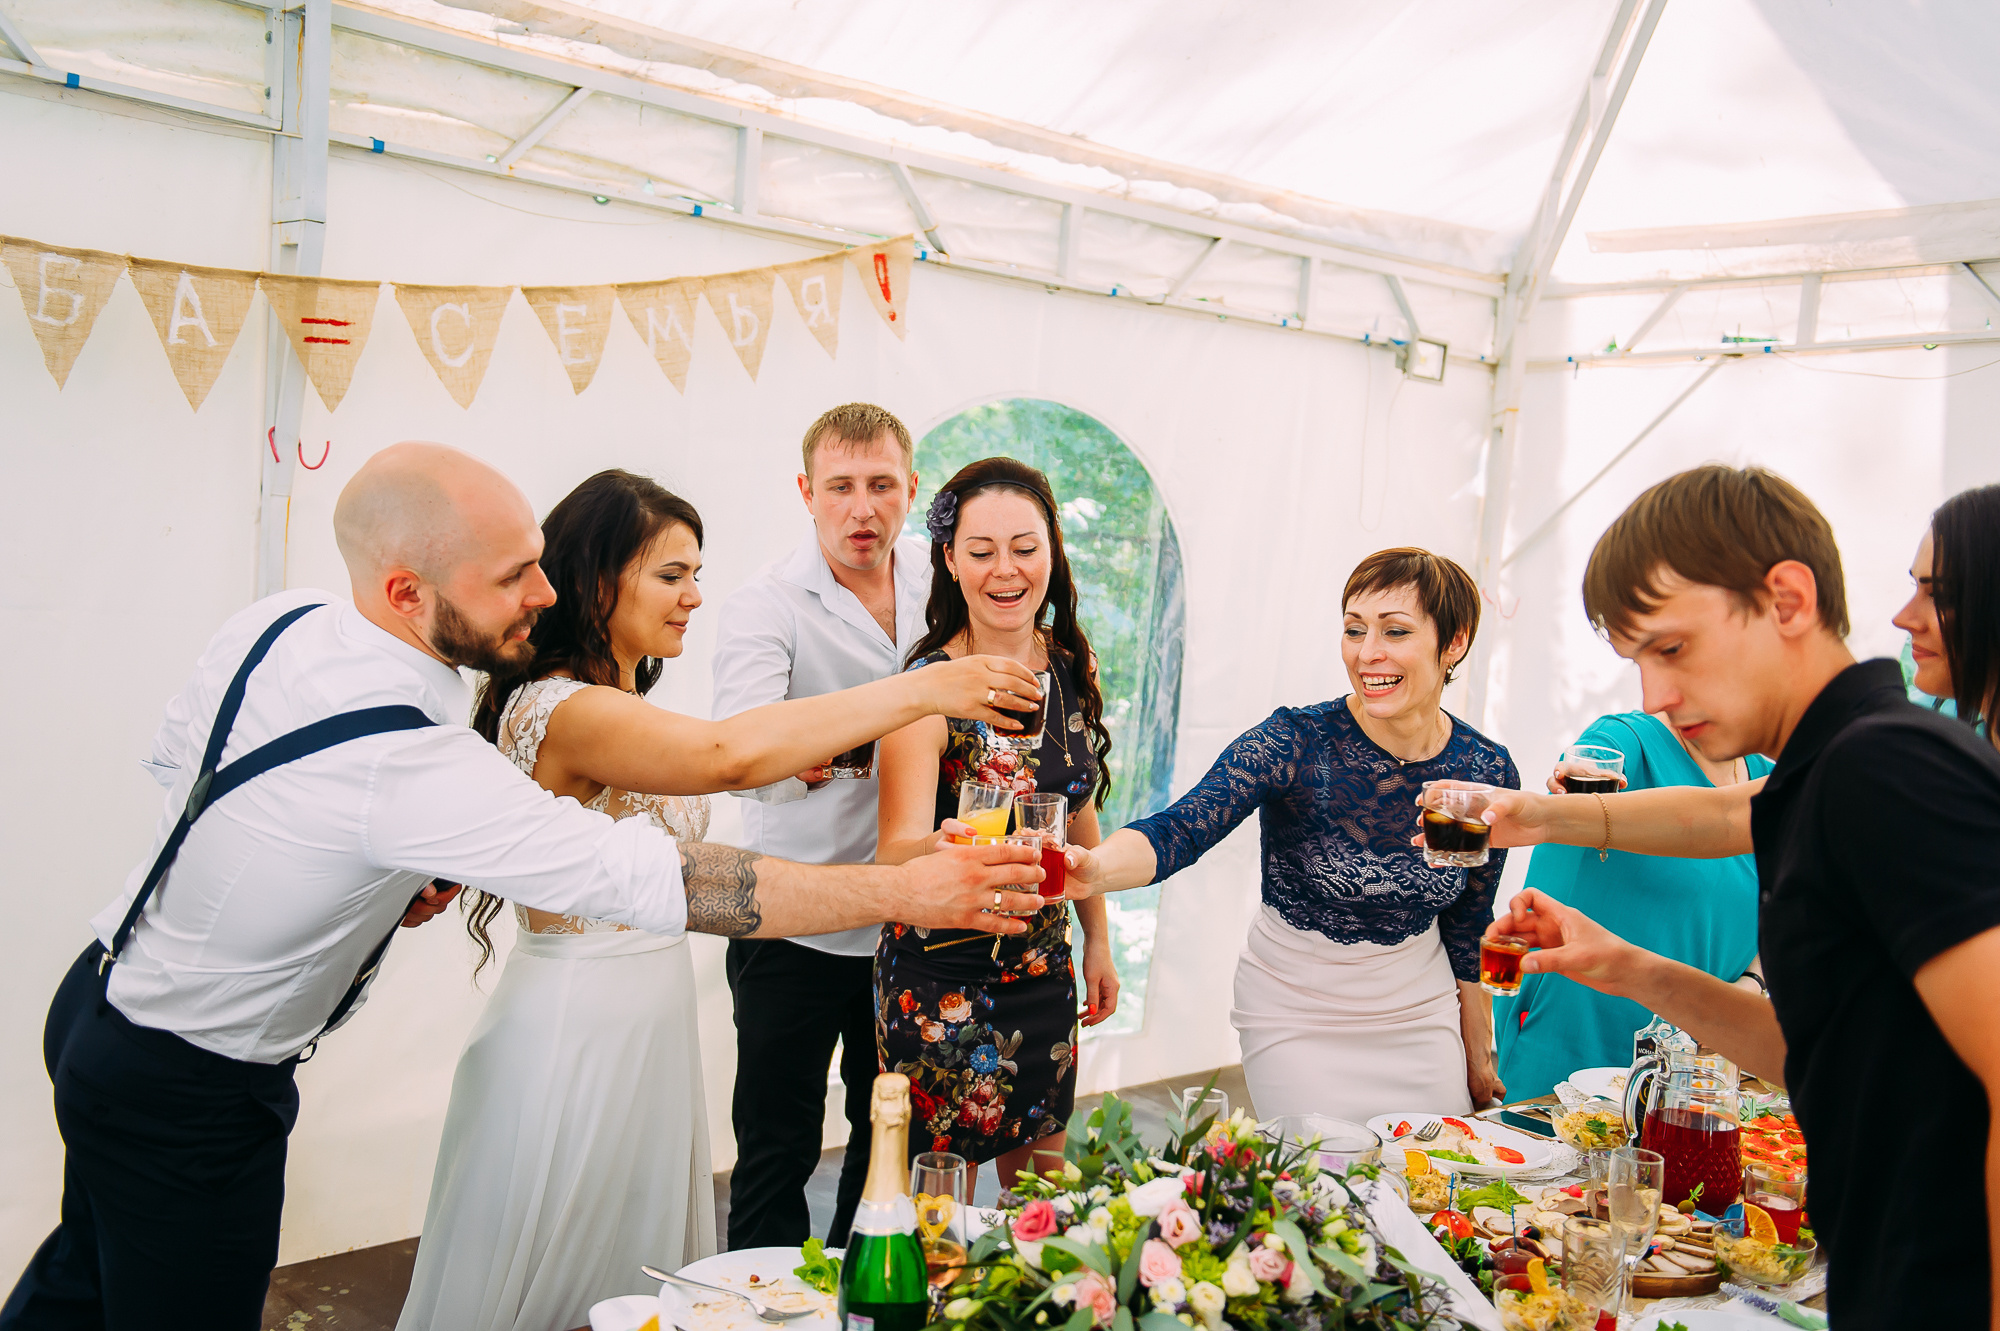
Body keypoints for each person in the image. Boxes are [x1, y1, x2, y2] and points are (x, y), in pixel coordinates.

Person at [0, 442, 1051, 1331]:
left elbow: (183, 771)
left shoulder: (280, 623)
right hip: (191, 1081)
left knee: (73, 1292)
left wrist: (370, 871)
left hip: (99, 995)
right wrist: (910, 883)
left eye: (540, 565)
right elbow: (680, 858)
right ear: (407, 589)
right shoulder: (414, 755)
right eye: (513, 576)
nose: (540, 593)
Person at [394, 469, 1041, 1329]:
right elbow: (727, 755)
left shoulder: (619, 700)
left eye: (697, 573)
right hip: (576, 1031)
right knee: (556, 1269)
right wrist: (923, 688)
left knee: (628, 1270)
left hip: (640, 1018)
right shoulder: (566, 706)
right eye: (672, 575)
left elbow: (728, 777)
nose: (695, 596)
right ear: (598, 581)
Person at [1473, 469, 2000, 1327]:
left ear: (1787, 598)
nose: (1655, 698)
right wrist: (1628, 965)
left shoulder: (1881, 768)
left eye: (1672, 650)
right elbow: (1819, 1051)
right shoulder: (1822, 777)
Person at [1065, 548, 1519, 1122]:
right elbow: (1181, 828)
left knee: (1432, 1179)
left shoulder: (1488, 772)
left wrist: (1477, 1048)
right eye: (1354, 630)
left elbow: (1468, 923)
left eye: (1395, 631)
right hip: (1295, 1008)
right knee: (1330, 1183)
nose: (1367, 652)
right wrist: (1095, 868)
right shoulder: (1295, 741)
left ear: (1455, 641)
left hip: (1418, 1011)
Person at [707, 403, 938, 1249]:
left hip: (910, 923)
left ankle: (855, 1286)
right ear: (806, 492)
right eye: (840, 487)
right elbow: (744, 749)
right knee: (776, 1144)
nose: (862, 508)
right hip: (792, 925)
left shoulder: (941, 580)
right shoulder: (763, 603)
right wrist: (855, 739)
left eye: (881, 486)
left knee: (891, 1138)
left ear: (911, 489)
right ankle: (759, 1298)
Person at [874, 457, 1121, 1190]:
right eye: (981, 552)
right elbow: (894, 852)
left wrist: (1100, 939)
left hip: (1044, 971)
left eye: (1025, 547)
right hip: (938, 979)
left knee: (1039, 1207)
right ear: (950, 561)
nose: (1005, 570)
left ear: (1052, 553)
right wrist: (951, 846)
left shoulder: (1071, 663)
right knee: (935, 1208)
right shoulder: (922, 689)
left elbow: (1080, 814)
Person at [1492, 708, 1770, 1099]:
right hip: (1581, 1031)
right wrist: (1564, 799)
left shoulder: (1773, 779)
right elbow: (1581, 774)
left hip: (1700, 1051)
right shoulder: (1624, 741)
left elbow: (1789, 906)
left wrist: (1753, 982)